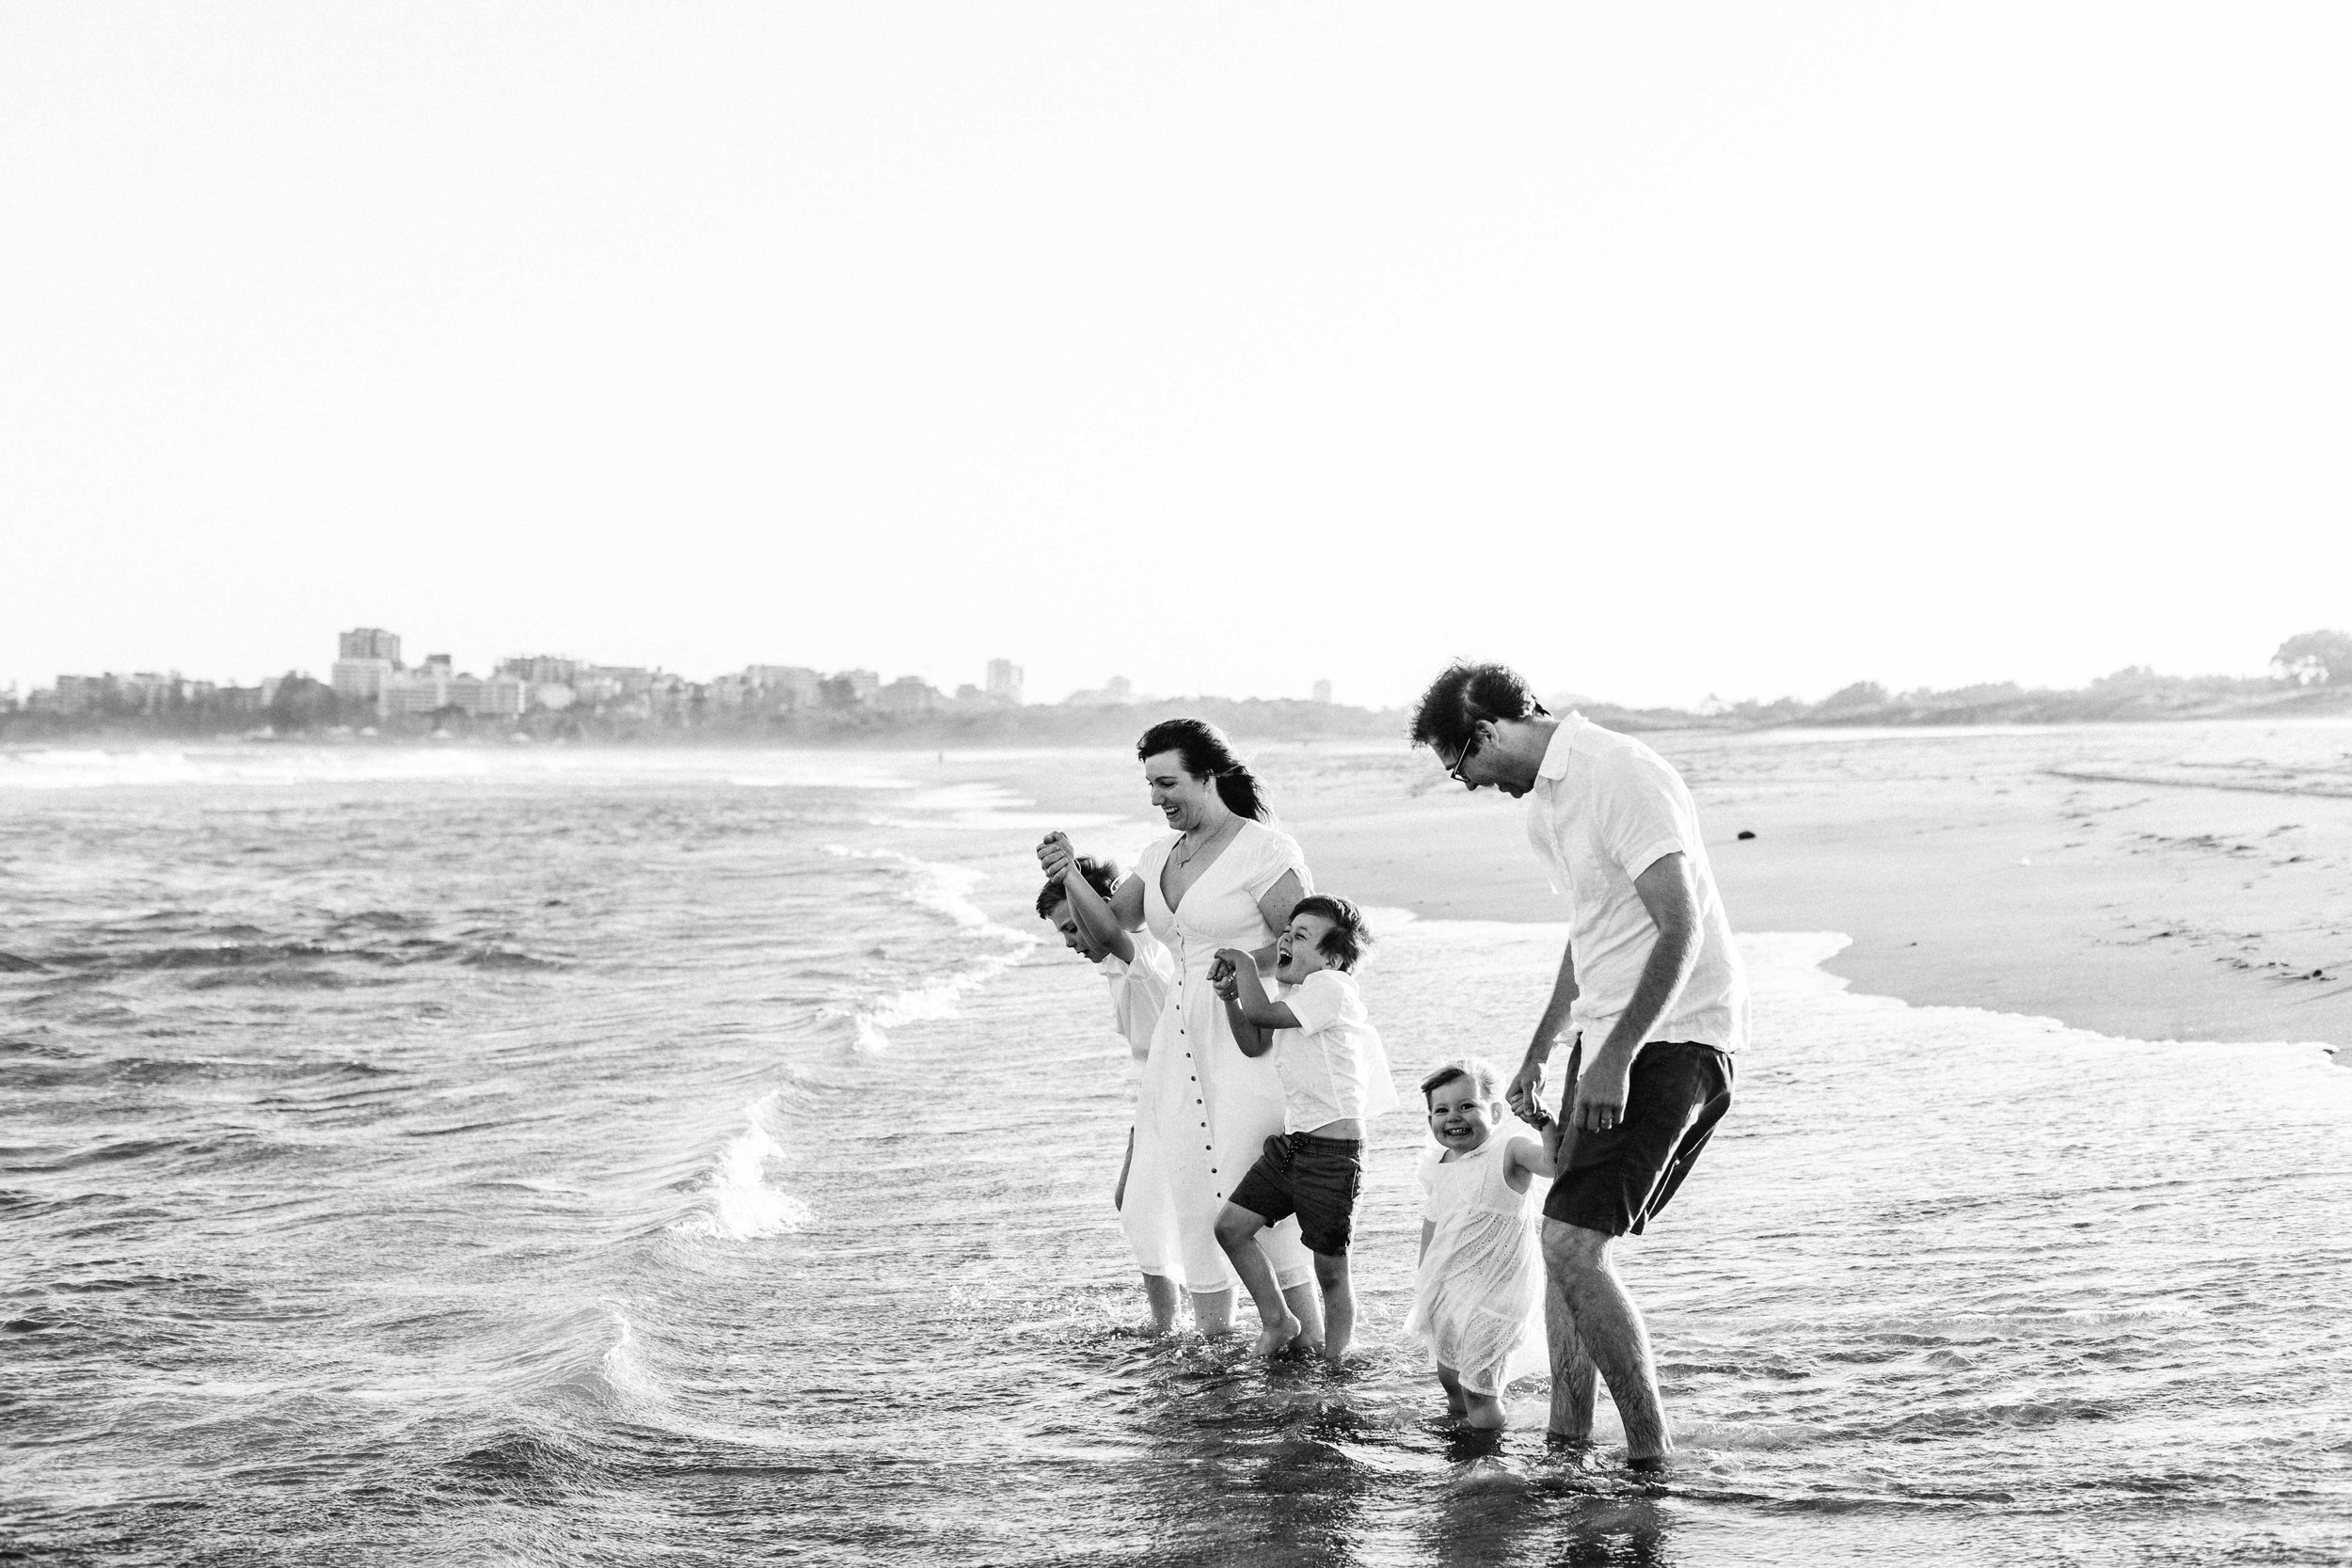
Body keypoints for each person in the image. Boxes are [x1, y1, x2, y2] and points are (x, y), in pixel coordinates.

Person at [1410, 660, 1746, 1470]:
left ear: (1487, 730)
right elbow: (1591, 931)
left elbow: (1682, 926)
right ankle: (1567, 1442)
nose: (1464, 783)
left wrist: (1618, 1055)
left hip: (1674, 1038)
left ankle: (1648, 1455)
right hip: (1607, 1039)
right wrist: (1541, 1047)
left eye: (1459, 764)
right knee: (1568, 1245)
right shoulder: (1548, 807)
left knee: (1568, 1244)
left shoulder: (1619, 772)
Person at [1038, 719, 1323, 1340]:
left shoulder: (1266, 852)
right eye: (1149, 783)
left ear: (1208, 775)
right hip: (1176, 1045)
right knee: (1194, 1199)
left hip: (1247, 1036)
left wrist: (1246, 964)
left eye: (1167, 782)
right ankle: (1215, 1349)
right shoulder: (1159, 855)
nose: (1156, 797)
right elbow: (1111, 930)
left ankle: (1314, 1349)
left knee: (1262, 1201)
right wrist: (1070, 875)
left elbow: (1306, 948)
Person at [1208, 895, 1397, 1365]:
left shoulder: (1333, 988)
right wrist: (1233, 998)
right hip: (1294, 1148)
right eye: (1286, 933)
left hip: (1334, 1154)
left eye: (1301, 936)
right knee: (1231, 1228)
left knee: (1331, 1271)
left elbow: (1262, 1015)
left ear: (1333, 957)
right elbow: (1253, 1039)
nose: (1287, 941)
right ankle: (1278, 1319)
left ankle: (1337, 1364)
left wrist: (1243, 961)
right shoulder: (1297, 996)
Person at [1036, 853, 1181, 1334]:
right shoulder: (1117, 967)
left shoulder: (1140, 954)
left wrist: (1068, 874)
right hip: (1155, 1097)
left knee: (1142, 1205)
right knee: (1135, 1202)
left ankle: (1170, 1324)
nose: (1072, 942)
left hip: (1186, 1096)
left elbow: (1116, 936)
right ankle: (1172, 1316)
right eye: (1064, 933)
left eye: (1073, 927)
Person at [1406, 1056, 1566, 1430]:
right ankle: (1462, 1440)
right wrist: (1424, 1287)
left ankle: (1488, 1461)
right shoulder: (1439, 1163)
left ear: (1494, 1112)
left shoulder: (1509, 1150)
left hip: (1499, 1291)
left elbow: (1553, 1165)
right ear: (1430, 1120)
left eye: (1467, 1106)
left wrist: (1545, 1124)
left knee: (1479, 1388)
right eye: (1441, 1110)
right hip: (1451, 1288)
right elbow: (1433, 1224)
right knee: (1450, 1378)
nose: (1453, 1117)